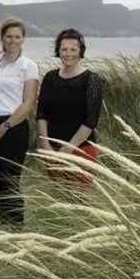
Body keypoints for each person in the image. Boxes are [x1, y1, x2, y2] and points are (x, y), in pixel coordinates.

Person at [0, 18, 39, 229]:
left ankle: (16, 230)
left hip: (14, 127)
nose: (13, 41)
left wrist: (5, 127)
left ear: (23, 40)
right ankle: (5, 227)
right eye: (9, 36)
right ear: (2, 38)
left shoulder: (28, 66)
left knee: (11, 180)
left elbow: (28, 103)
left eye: (17, 37)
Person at [37, 28, 103, 185]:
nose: (68, 53)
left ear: (81, 51)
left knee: (79, 202)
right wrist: (46, 145)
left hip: (81, 150)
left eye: (73, 49)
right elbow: (41, 114)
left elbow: (91, 120)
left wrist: (68, 149)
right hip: (52, 150)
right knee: (58, 201)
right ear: (58, 51)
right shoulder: (50, 77)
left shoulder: (91, 80)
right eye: (64, 49)